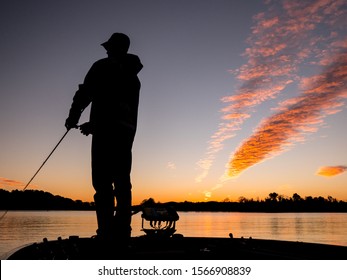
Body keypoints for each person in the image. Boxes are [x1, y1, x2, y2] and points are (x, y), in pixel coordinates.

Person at [65, 33, 143, 246]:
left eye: (109, 47)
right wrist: (95, 124)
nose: (106, 50)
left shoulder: (102, 67)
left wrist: (74, 117)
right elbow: (119, 106)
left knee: (102, 185)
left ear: (117, 48)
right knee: (122, 184)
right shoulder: (134, 78)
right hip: (126, 137)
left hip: (106, 136)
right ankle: (122, 232)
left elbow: (86, 93)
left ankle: (107, 234)